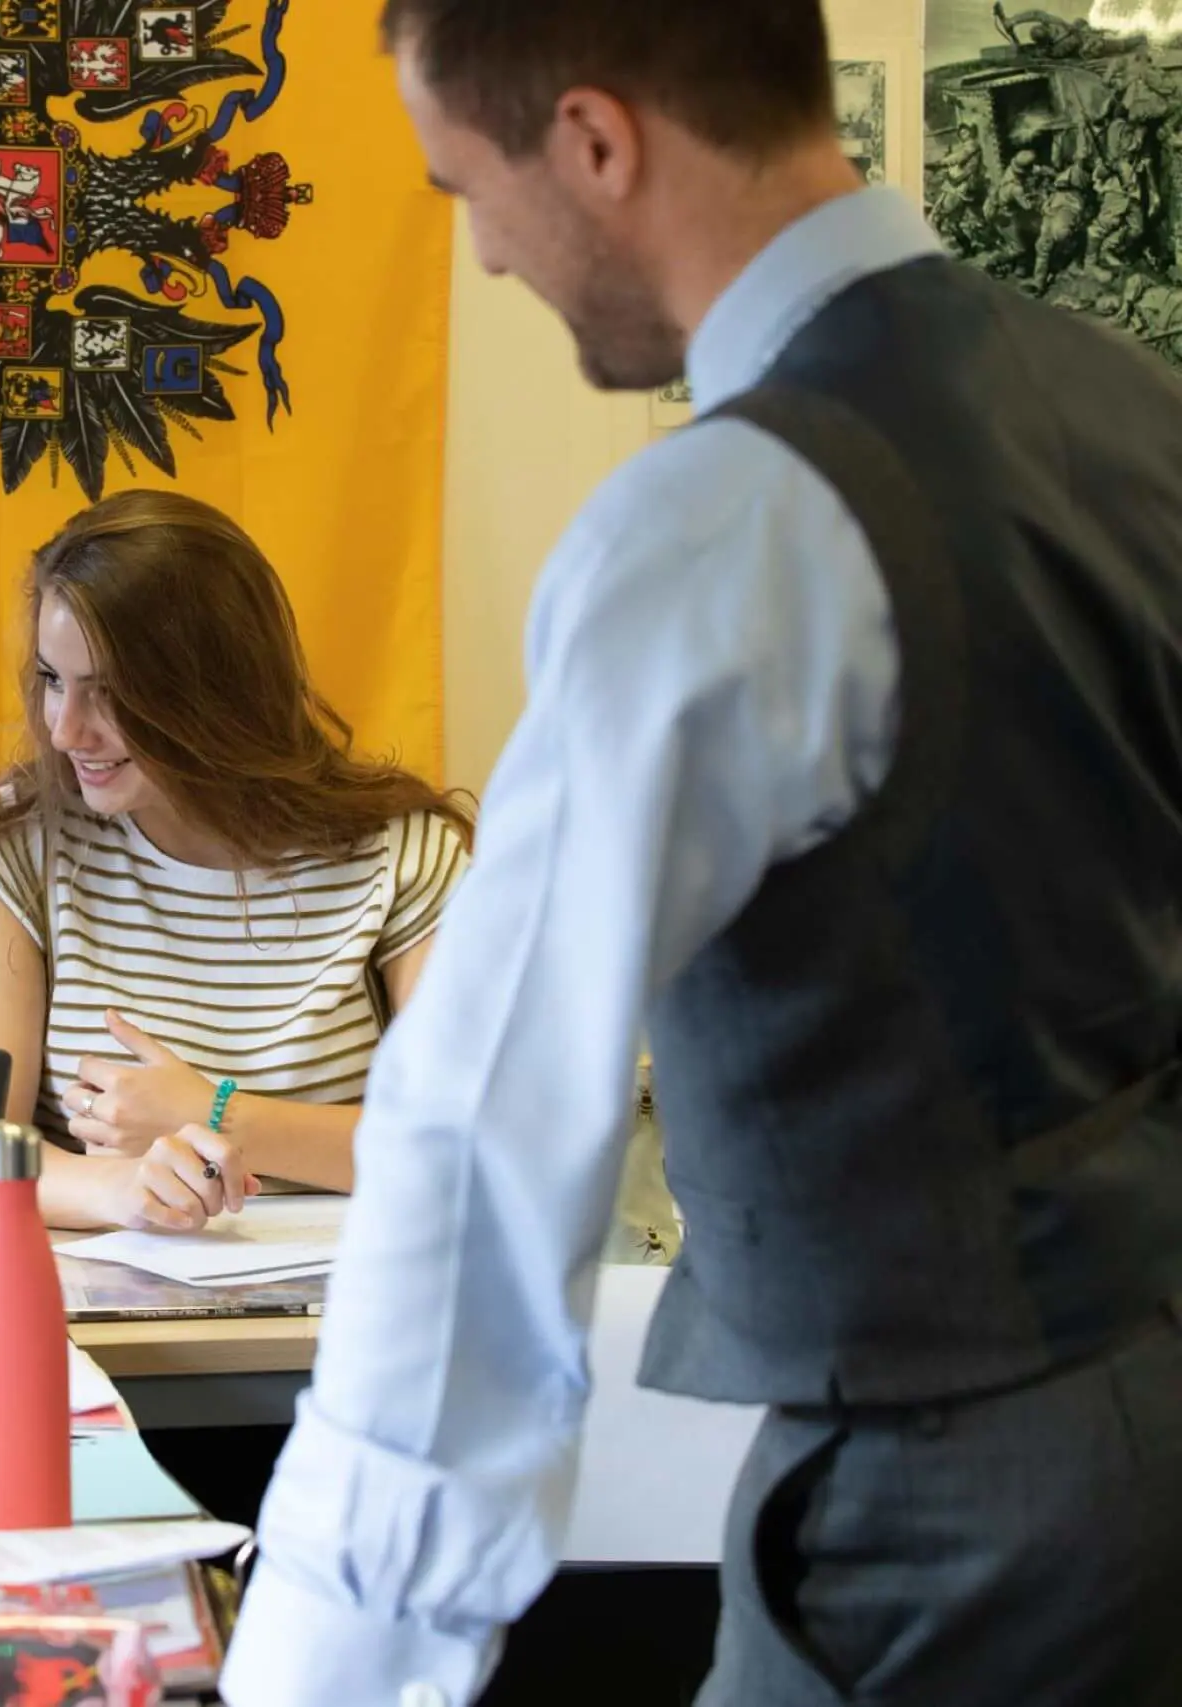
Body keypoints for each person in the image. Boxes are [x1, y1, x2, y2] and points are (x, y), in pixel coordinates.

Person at [226, 4, 1182, 1704]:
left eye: (468, 188)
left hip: (956, 1516)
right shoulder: (1130, 408)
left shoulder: (719, 528)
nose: (493, 257)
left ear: (597, 143)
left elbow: (483, 1148)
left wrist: (320, 1667)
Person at [0, 491, 471, 1233]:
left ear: (217, 691)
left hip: (355, 1312)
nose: (64, 727)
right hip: (100, 1321)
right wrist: (119, 1189)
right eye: (53, 679)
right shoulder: (14, 846)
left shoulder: (407, 853)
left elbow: (473, 1145)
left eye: (108, 692)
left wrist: (221, 1116)